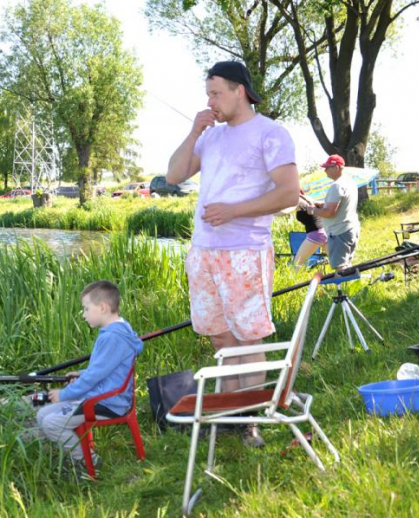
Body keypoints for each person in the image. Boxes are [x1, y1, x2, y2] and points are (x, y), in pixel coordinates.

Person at [166, 60, 299, 448]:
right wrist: (194, 130)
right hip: (203, 251)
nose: (210, 101)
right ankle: (228, 414)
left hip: (244, 251)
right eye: (208, 94)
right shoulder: (210, 136)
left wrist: (234, 211)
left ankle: (251, 419)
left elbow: (289, 193)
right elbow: (173, 175)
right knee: (221, 339)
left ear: (239, 90)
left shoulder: (271, 133)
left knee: (249, 339)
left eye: (216, 93)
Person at [34, 280, 143, 475]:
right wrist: (81, 373)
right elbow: (105, 369)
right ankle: (78, 454)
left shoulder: (112, 337)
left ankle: (87, 462)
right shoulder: (118, 329)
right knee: (42, 415)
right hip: (104, 393)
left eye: (86, 309)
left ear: (102, 307)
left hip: (109, 402)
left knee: (51, 423)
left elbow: (95, 376)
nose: (83, 315)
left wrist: (65, 394)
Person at [308, 155, 360, 271]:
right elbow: (341, 205)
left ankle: (344, 289)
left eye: (327, 167)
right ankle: (351, 287)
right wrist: (322, 204)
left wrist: (312, 210)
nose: (325, 170)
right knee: (346, 264)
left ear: (336, 167)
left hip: (339, 231)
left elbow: (329, 213)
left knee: (340, 268)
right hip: (350, 228)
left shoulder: (337, 186)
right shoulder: (349, 182)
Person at [293, 191, 328, 271]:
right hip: (324, 232)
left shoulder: (297, 200)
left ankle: (296, 282)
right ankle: (347, 279)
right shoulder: (307, 198)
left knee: (297, 263)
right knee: (337, 262)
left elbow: (283, 211)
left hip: (315, 234)